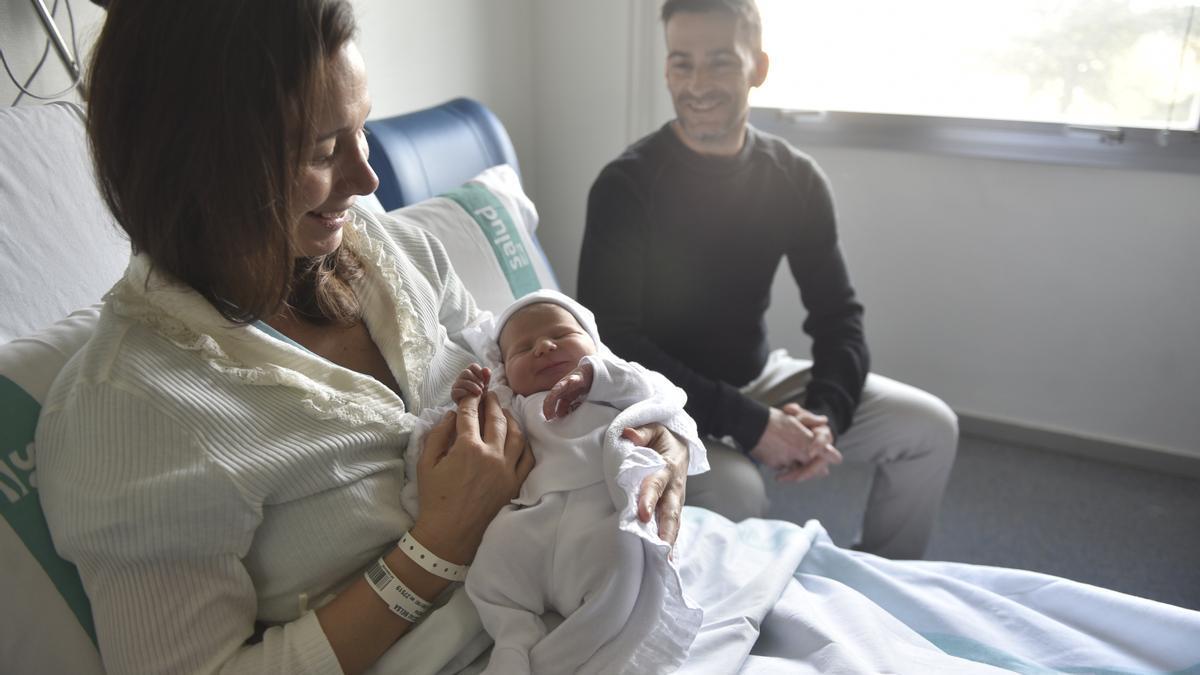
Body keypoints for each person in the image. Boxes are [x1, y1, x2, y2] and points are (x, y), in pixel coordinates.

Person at [34, 2, 690, 674]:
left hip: (604, 601)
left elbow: (521, 353)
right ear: (203, 166)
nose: (367, 179)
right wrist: (437, 545)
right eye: (323, 151)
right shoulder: (131, 411)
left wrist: (653, 435)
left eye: (362, 130)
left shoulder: (385, 248)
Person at [578, 0, 958, 559]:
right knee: (737, 490)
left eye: (721, 63)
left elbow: (838, 317)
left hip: (760, 379)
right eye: (682, 63)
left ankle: (885, 578)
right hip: (660, 399)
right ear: (666, 70)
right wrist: (753, 425)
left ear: (758, 67)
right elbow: (615, 341)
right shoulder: (626, 186)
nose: (698, 83)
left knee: (930, 430)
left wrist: (824, 416)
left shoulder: (795, 179)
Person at [403, 290, 708, 674]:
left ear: (595, 345)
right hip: (530, 519)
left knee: (623, 579)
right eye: (522, 349)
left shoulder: (615, 387)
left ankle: (565, 660)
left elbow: (663, 395)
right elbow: (456, 442)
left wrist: (594, 376)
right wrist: (469, 401)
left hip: (600, 515)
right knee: (488, 584)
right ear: (503, 369)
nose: (544, 348)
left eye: (561, 336)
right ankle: (513, 645)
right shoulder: (512, 405)